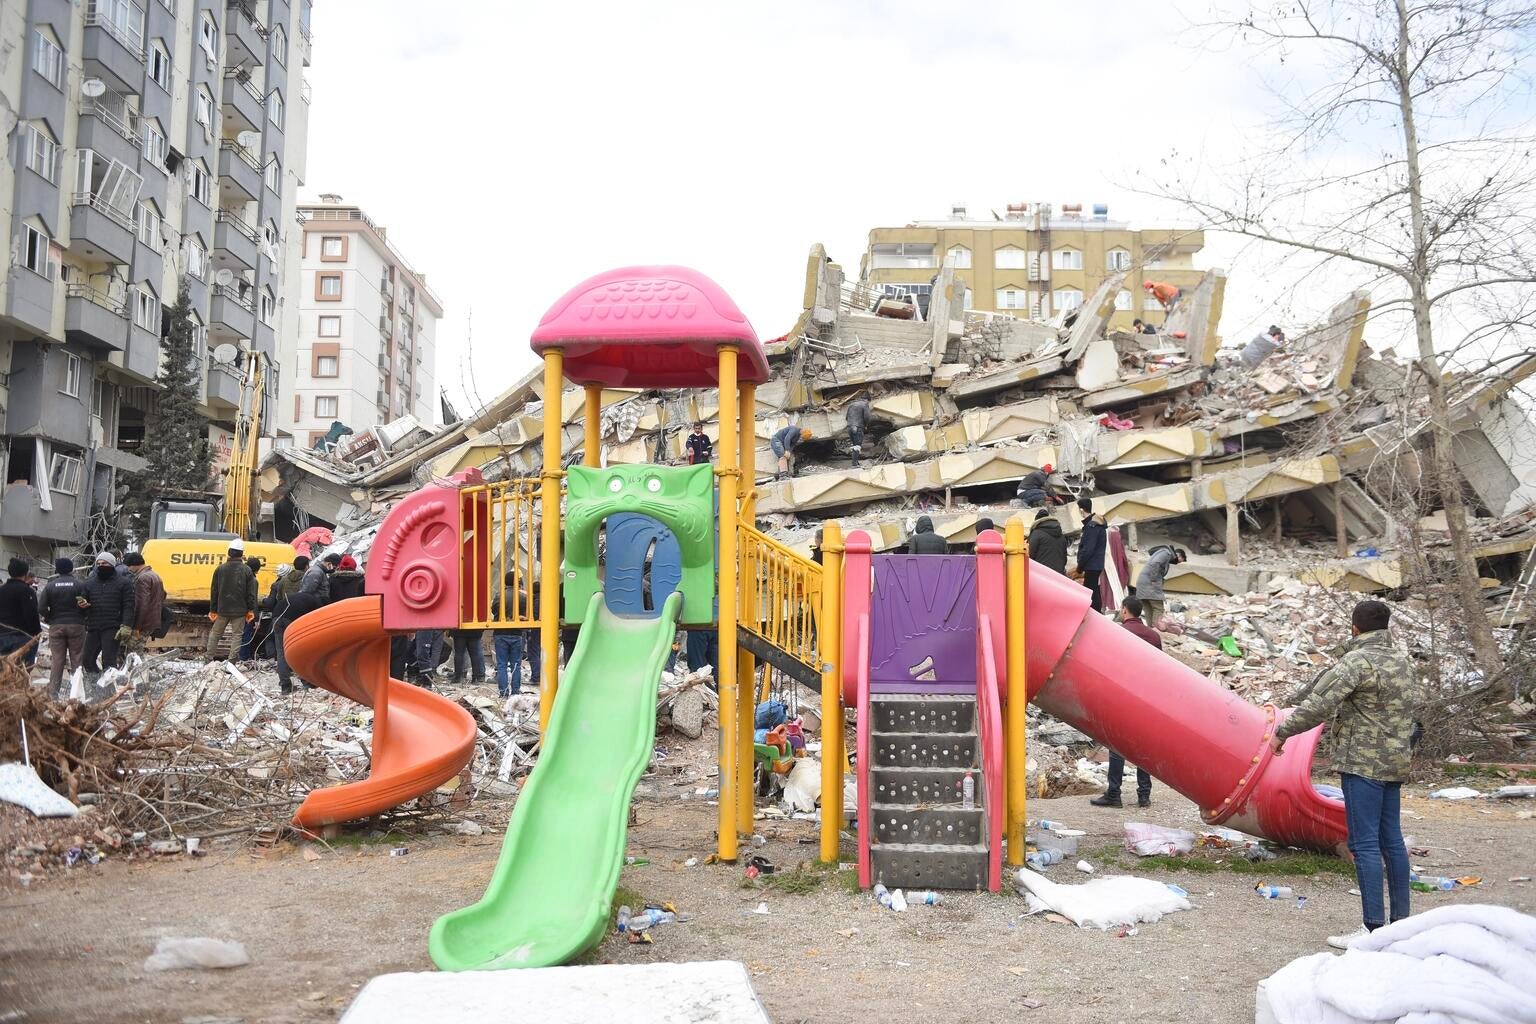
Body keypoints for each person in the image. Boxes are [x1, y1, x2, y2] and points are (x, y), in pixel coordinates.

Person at [1271, 600, 1416, 949]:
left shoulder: (1357, 661)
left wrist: (1282, 732)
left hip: (1362, 764)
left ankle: (1372, 928)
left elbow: (1320, 703)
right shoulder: (1402, 661)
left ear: (1354, 628)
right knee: (1391, 841)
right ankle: (1401, 924)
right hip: (1394, 762)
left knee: (1364, 844)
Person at [1091, 597, 1160, 809]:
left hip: (1122, 696)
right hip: (1147, 697)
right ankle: (1144, 795)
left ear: (1124, 610)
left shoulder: (1119, 632)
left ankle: (1114, 793)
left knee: (1117, 745)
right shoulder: (1153, 636)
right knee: (1143, 745)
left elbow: (1109, 665)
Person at [39, 558, 86, 698]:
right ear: (71, 569)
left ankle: (53, 695)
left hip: (56, 625)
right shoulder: (79, 584)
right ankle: (76, 695)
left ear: (57, 570)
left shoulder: (50, 586)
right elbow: (84, 603)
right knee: (77, 660)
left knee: (57, 660)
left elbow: (41, 608)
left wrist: (49, 617)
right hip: (76, 625)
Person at [82, 552, 134, 674]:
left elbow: (129, 605)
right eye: (98, 563)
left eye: (104, 563)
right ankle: (97, 682)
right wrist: (83, 605)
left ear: (111, 564)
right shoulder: (90, 583)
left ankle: (110, 689)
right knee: (87, 659)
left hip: (112, 626)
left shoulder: (124, 583)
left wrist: (126, 625)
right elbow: (83, 600)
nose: (101, 566)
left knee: (109, 661)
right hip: (94, 625)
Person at [266, 558, 311, 694]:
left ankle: (285, 685)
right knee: (300, 649)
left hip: (280, 613)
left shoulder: (283, 581)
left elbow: (279, 598)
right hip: (297, 616)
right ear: (306, 566)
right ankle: (305, 681)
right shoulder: (306, 579)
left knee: (281, 651)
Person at [490, 573, 540, 697]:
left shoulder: (499, 595)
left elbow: (493, 610)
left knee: (501, 664)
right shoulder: (523, 597)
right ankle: (516, 692)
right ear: (517, 582)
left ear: (505, 582)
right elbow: (526, 613)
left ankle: (503, 692)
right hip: (517, 633)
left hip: (500, 633)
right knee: (516, 665)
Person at [206, 544, 257, 660]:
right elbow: (250, 593)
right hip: (240, 610)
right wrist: (250, 609)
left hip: (223, 609)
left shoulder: (220, 569)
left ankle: (208, 657)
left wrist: (213, 610)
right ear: (241, 554)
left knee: (215, 633)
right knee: (237, 635)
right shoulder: (247, 570)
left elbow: (214, 591)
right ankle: (232, 661)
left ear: (229, 552)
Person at [0, 558, 41, 666]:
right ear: (25, 573)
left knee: (3, 674)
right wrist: (37, 634)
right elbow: (32, 616)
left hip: (2, 637)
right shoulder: (27, 591)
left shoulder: (1, 589)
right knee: (20, 674)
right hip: (22, 638)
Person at [1133, 544, 1185, 628]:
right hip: (1149, 583)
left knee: (1149, 608)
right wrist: (1154, 579)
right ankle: (1157, 629)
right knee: (1158, 608)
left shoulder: (1162, 553)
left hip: (1142, 583)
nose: (1177, 563)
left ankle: (1151, 630)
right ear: (1178, 555)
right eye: (1179, 561)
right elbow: (1155, 563)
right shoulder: (1166, 553)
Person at [122, 552, 166, 644]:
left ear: (134, 565)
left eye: (128, 566)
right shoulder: (154, 575)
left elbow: (142, 604)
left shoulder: (142, 578)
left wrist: (137, 627)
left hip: (143, 623)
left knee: (134, 651)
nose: (128, 569)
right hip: (152, 620)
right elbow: (163, 595)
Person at [1076, 498, 1108, 612]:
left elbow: (1088, 549)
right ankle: (1097, 614)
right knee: (1094, 590)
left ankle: (1095, 615)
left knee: (1091, 592)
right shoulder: (1098, 524)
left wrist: (1079, 567)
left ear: (1081, 510)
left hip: (1092, 565)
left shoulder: (1092, 526)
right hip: (1097, 564)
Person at [238, 555, 266, 660]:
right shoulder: (253, 581)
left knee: (239, 634)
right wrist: (257, 619)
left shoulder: (239, 577)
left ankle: (240, 656)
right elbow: (253, 600)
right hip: (248, 612)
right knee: (246, 634)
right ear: (257, 568)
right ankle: (244, 657)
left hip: (237, 610)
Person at [1027, 509, 1068, 574]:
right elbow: (1064, 558)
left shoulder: (1036, 533)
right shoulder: (1061, 535)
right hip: (1059, 574)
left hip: (1043, 574)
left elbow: (1031, 555)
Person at [845, 397, 872, 468]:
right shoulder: (864, 404)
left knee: (855, 445)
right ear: (867, 400)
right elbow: (867, 417)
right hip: (857, 428)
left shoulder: (851, 405)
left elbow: (846, 417)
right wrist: (866, 425)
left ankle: (855, 462)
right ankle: (854, 464)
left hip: (849, 428)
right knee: (857, 446)